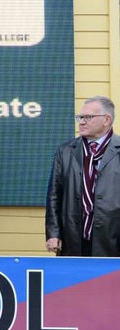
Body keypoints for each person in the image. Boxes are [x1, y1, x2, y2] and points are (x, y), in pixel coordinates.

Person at [46, 96, 120, 256]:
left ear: (107, 120)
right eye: (80, 117)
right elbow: (54, 195)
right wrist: (53, 233)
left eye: (88, 117)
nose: (81, 122)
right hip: (73, 238)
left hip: (112, 240)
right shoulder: (65, 151)